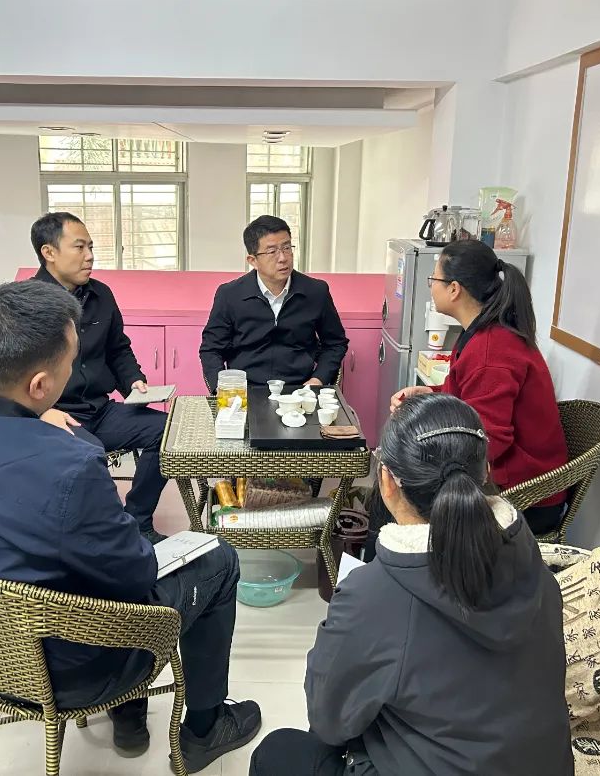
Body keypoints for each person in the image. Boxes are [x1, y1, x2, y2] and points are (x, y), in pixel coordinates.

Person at [0, 281, 262, 772]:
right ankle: (205, 728)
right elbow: (134, 577)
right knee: (217, 558)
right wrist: (75, 448)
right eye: (71, 363)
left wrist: (30, 422)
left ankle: (131, 713)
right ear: (40, 386)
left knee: (91, 557)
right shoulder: (70, 465)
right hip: (71, 670)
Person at [250, 394, 573, 776]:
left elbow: (328, 720)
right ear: (485, 470)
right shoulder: (533, 562)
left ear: (386, 480)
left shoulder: (374, 595)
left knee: (278, 752)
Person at [391, 240, 568, 535]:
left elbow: (489, 440)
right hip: (507, 477)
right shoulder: (481, 334)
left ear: (454, 289)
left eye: (434, 279)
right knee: (399, 478)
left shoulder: (491, 349)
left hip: (526, 497)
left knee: (401, 493)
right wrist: (430, 394)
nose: (431, 287)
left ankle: (399, 558)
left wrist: (427, 461)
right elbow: (466, 398)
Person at [30, 212, 169, 544]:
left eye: (91, 247)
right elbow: (12, 371)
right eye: (79, 247)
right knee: (90, 457)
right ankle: (100, 537)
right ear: (49, 252)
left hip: (100, 410)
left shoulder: (101, 295)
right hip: (52, 415)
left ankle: (138, 523)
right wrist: (41, 411)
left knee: (167, 433)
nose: (90, 256)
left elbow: (118, 349)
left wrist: (133, 381)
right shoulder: (26, 303)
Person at [199, 215, 348, 391]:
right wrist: (223, 389)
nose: (283, 258)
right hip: (246, 390)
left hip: (300, 389)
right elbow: (211, 349)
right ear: (253, 260)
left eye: (287, 247)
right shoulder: (230, 295)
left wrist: (318, 379)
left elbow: (335, 344)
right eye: (272, 252)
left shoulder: (316, 292)